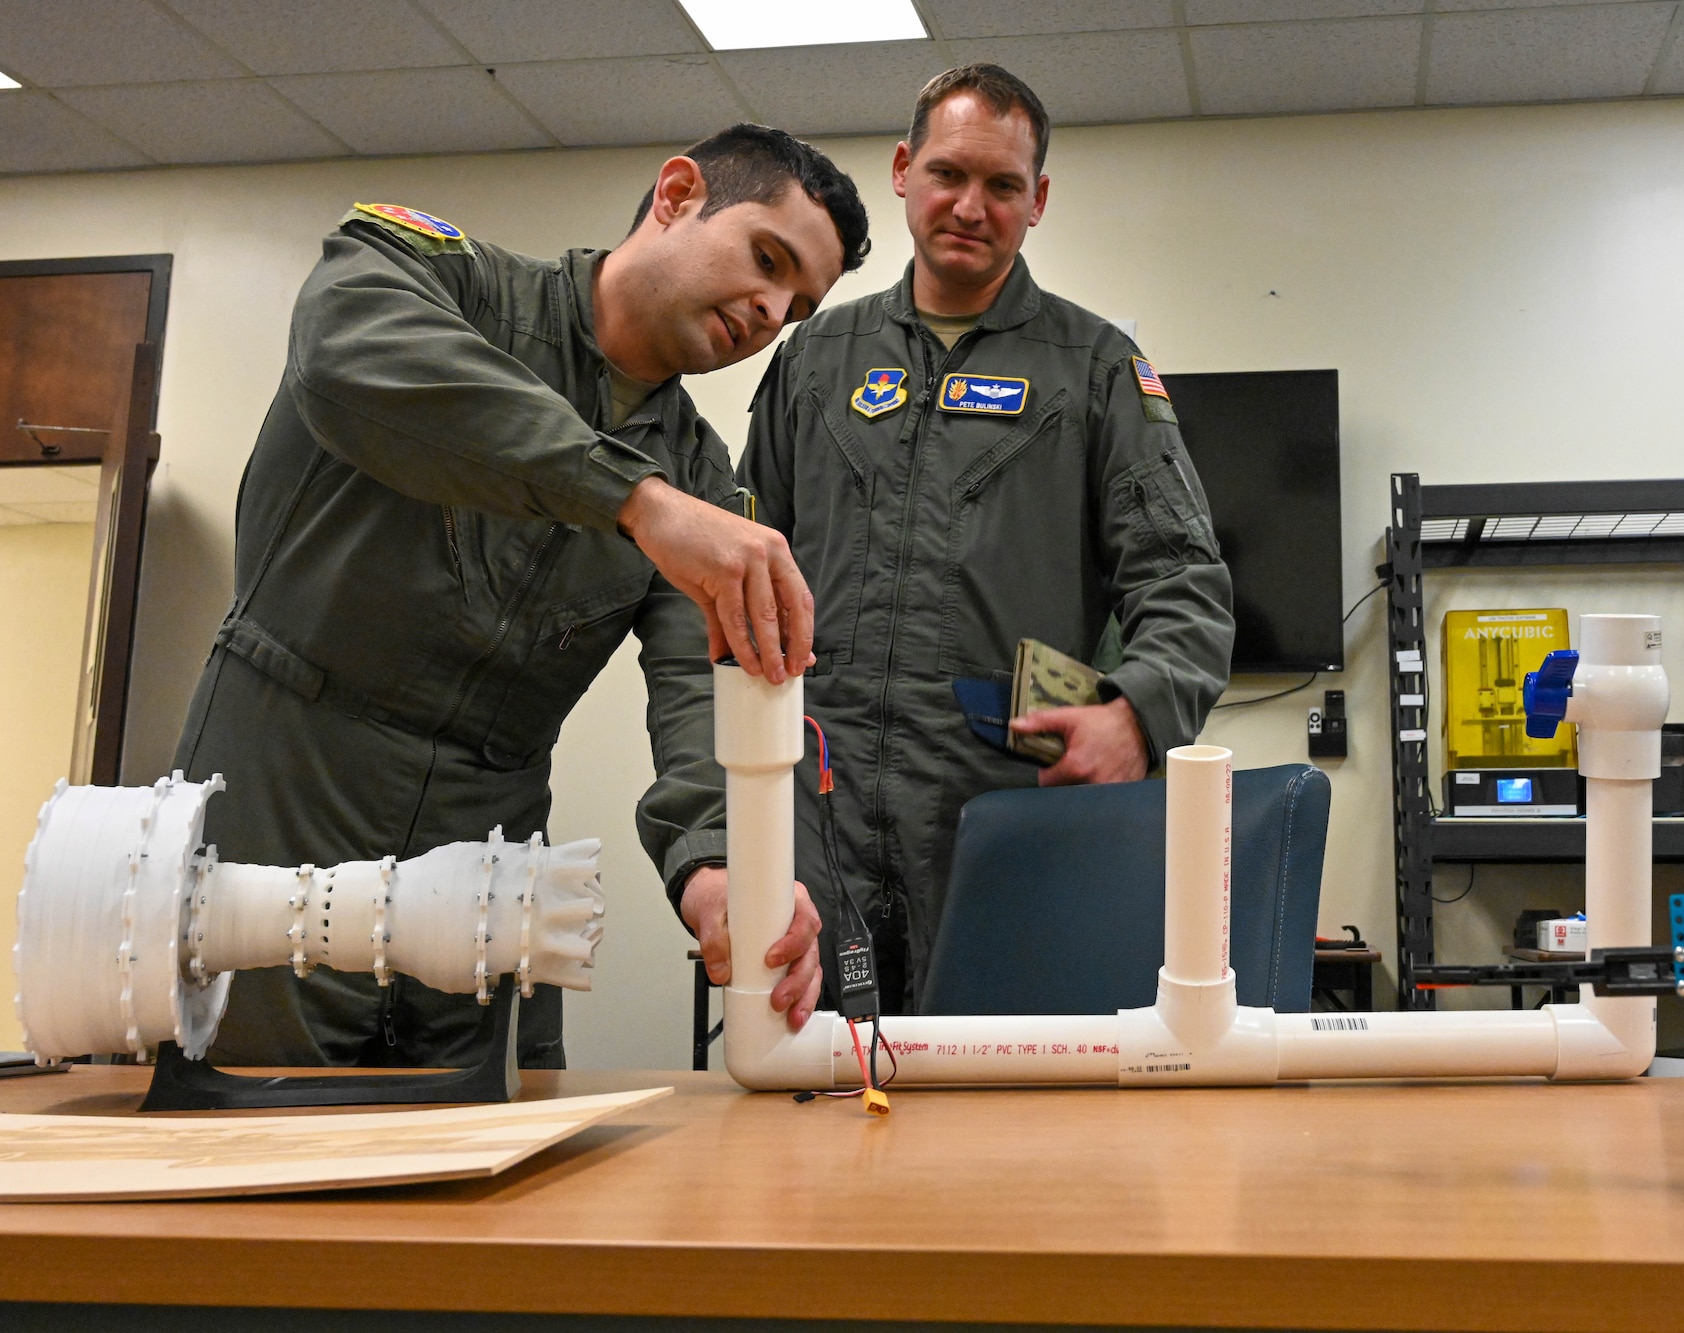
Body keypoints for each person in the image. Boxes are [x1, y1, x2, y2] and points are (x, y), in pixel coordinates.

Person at [176, 124, 866, 1069]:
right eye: (766, 258)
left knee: (507, 1167)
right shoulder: (433, 276)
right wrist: (634, 500)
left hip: (490, 847)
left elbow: (701, 688)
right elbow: (349, 356)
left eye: (795, 306)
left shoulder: (704, 480)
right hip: (285, 790)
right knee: (256, 1156)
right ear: (675, 194)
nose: (769, 309)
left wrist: (717, 870)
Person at [666, 66, 1234, 1012]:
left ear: (1038, 199)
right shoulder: (816, 359)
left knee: (1004, 1119)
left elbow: (1185, 581)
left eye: (1003, 186)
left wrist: (1138, 712)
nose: (970, 206)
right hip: (817, 813)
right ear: (902, 170)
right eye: (948, 174)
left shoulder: (1093, 370)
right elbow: (728, 584)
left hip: (1001, 816)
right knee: (818, 1094)